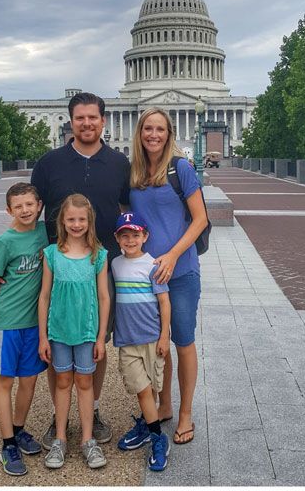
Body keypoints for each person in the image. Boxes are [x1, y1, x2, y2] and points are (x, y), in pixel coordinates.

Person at [29, 91, 130, 451]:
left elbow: (133, 213)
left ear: (103, 121)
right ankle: (60, 418)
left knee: (95, 342)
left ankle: (94, 408)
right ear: (71, 121)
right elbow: (28, 214)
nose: (87, 124)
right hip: (58, 267)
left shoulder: (120, 164)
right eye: (80, 118)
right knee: (57, 341)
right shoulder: (48, 163)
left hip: (103, 265)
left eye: (93, 118)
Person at [127, 107, 208, 448]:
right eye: (148, 128)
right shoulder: (131, 173)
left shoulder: (182, 168)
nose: (154, 135)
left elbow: (201, 219)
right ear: (139, 132)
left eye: (160, 129)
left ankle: (186, 413)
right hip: (147, 276)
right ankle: (164, 403)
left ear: (169, 133)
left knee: (183, 341)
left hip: (180, 271)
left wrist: (173, 256)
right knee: (157, 346)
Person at [37, 193, 109, 471]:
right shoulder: (52, 253)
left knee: (85, 383)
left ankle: (88, 440)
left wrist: (101, 336)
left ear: (89, 221)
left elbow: (104, 297)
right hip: (58, 331)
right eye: (71, 219)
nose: (76, 224)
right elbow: (44, 296)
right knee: (63, 381)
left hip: (87, 332)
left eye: (81, 219)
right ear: (62, 221)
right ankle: (60, 439)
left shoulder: (98, 254)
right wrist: (43, 336)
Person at [0, 182, 47, 476]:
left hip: (35, 323)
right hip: (7, 323)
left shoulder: (46, 234)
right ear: (9, 210)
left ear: (39, 205)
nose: (25, 210)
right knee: (5, 382)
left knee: (30, 381)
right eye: (18, 206)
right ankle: (7, 443)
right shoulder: (5, 242)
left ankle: (19, 429)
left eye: (29, 205)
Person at [111, 210, 172, 472]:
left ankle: (148, 427)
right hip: (127, 340)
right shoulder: (114, 264)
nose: (130, 240)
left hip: (151, 338)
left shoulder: (153, 265)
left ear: (144, 236)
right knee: (142, 389)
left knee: (152, 389)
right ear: (117, 238)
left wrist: (164, 336)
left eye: (135, 234)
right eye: (124, 235)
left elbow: (164, 302)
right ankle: (158, 436)